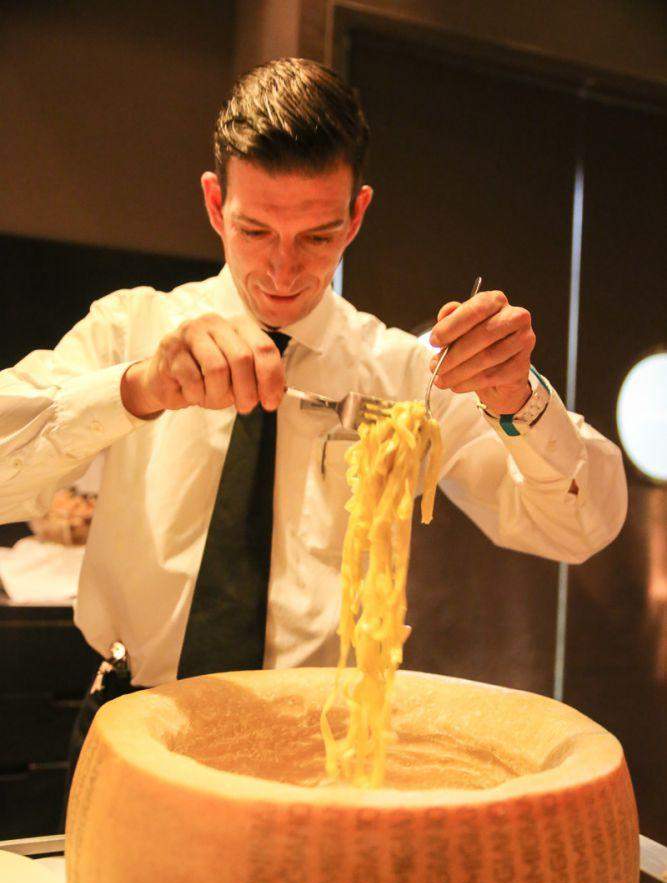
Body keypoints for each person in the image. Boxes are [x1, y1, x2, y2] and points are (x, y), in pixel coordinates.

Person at [0, 59, 626, 801]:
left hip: (320, 746)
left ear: (356, 216)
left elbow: (578, 526)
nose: (282, 269)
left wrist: (519, 399)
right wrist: (137, 388)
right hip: (139, 720)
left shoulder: (403, 373)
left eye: (318, 236)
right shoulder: (129, 328)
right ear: (215, 203)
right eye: (255, 229)